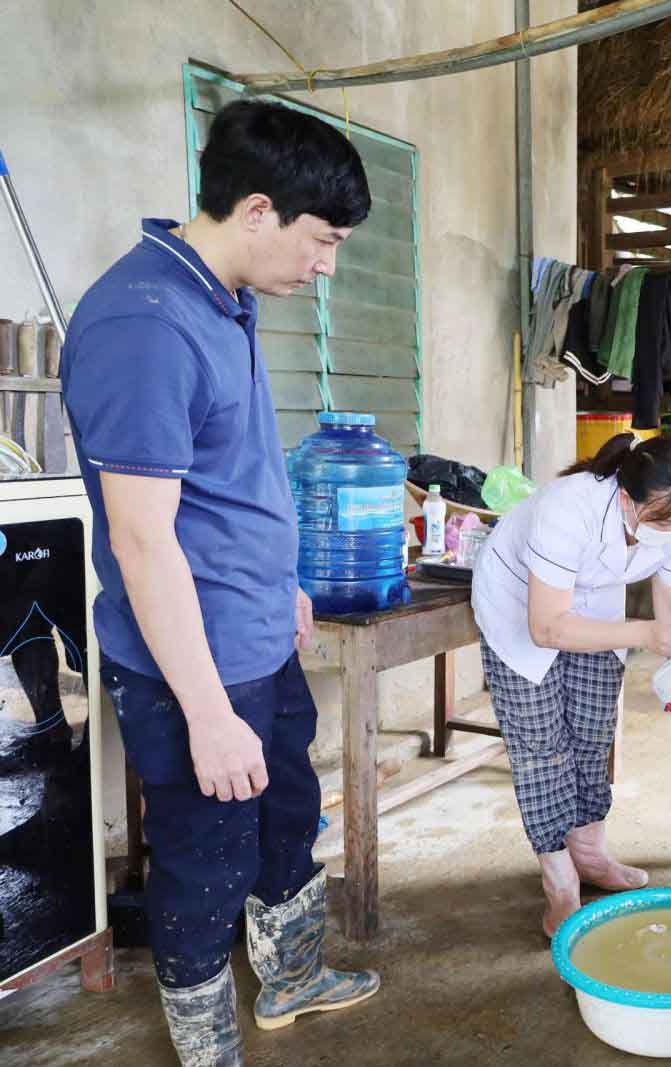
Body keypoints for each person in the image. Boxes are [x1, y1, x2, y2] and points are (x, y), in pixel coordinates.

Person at [61, 100, 378, 1065]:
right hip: (188, 666)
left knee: (285, 816)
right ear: (255, 210)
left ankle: (289, 976)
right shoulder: (142, 324)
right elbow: (142, 541)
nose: (326, 266)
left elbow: (226, 478)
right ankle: (209, 1050)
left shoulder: (221, 299)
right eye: (321, 241)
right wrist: (205, 713)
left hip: (253, 638)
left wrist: (279, 582)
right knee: (205, 861)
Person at [472, 433, 671, 935]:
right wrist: (644, 632)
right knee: (542, 745)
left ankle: (591, 854)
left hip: (594, 603)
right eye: (664, 521)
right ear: (627, 500)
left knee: (593, 731)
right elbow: (547, 627)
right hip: (521, 606)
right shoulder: (569, 506)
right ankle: (559, 883)